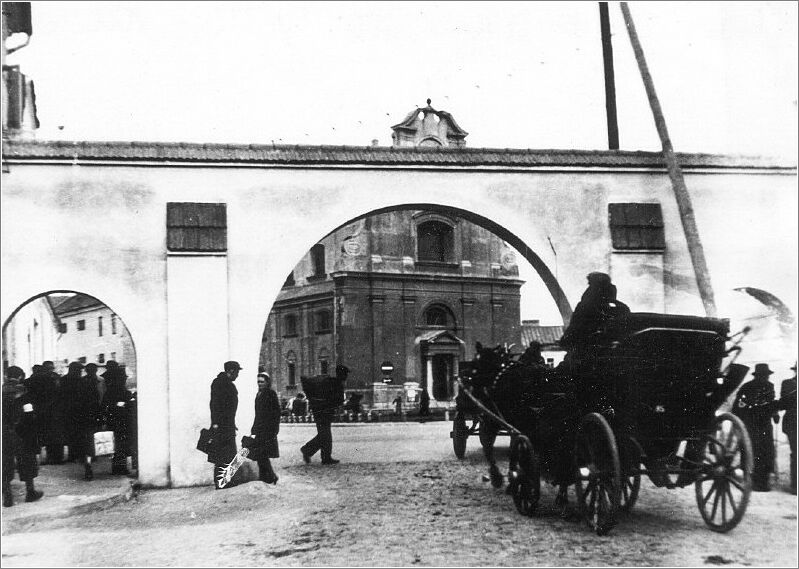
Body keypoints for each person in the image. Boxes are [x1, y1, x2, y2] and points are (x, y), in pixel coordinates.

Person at [733, 363, 779, 491]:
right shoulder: (747, 387)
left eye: (767, 375)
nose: (766, 378)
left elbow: (771, 402)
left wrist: (775, 414)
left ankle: (763, 482)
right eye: (764, 375)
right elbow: (738, 407)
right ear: (758, 375)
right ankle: (751, 480)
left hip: (765, 425)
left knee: (766, 451)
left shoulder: (770, 386)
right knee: (752, 451)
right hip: (750, 424)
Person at [3, 366, 44, 507]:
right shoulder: (23, 391)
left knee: (5, 463)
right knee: (27, 460)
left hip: (3, 432)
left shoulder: (1, 390)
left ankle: (7, 497)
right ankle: (30, 492)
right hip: (21, 431)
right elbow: (29, 413)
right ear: (20, 376)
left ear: (6, 376)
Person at [300, 364, 348, 465]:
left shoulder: (330, 381)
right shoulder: (337, 384)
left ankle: (325, 457)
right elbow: (338, 400)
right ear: (342, 374)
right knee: (325, 435)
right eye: (345, 374)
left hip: (319, 411)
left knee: (325, 434)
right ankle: (309, 451)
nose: (346, 376)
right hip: (324, 412)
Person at [62, 361, 100, 480]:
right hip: (87, 417)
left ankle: (74, 456)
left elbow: (61, 399)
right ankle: (87, 463)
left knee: (73, 438)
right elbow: (95, 399)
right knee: (88, 441)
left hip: (72, 416)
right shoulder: (86, 382)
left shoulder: (64, 381)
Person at [208, 361, 241, 489]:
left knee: (228, 453)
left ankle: (225, 480)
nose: (237, 375)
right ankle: (221, 482)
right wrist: (215, 423)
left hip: (227, 425)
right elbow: (215, 405)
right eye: (237, 372)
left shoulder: (225, 383)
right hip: (222, 426)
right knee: (223, 454)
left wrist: (232, 423)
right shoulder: (220, 383)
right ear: (231, 371)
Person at [101, 365, 133, 475]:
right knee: (118, 445)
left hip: (122, 422)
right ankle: (118, 467)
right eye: (122, 378)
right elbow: (105, 406)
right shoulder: (111, 392)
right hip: (116, 421)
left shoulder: (124, 392)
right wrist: (117, 405)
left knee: (121, 446)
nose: (124, 380)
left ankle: (120, 467)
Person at [250, 372, 281, 484]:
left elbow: (276, 412)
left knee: (262, 454)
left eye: (262, 382)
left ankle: (270, 477)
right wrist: (254, 428)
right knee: (260, 454)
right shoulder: (259, 394)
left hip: (267, 429)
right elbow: (257, 414)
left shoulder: (270, 394)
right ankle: (267, 476)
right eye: (258, 381)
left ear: (267, 382)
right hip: (259, 429)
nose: (259, 384)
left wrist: (274, 429)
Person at [779, 362, 797, 494]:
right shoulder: (788, 384)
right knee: (796, 453)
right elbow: (783, 403)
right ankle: (795, 486)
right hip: (793, 423)